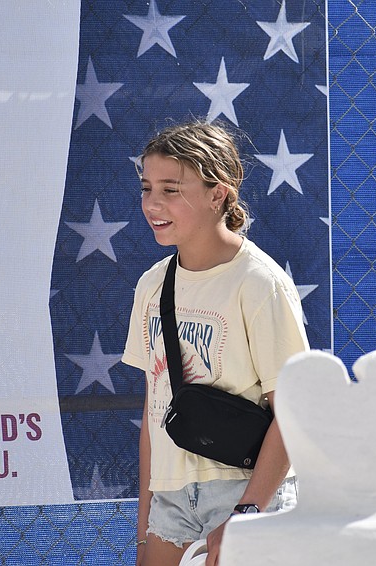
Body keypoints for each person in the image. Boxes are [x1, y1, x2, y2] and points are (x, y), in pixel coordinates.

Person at [122, 120, 309, 566]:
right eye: (147, 188)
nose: (152, 204)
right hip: (169, 498)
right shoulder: (152, 285)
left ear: (218, 193)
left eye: (171, 190)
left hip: (246, 491)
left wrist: (248, 511)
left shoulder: (259, 283)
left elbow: (295, 412)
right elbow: (154, 412)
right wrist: (144, 532)